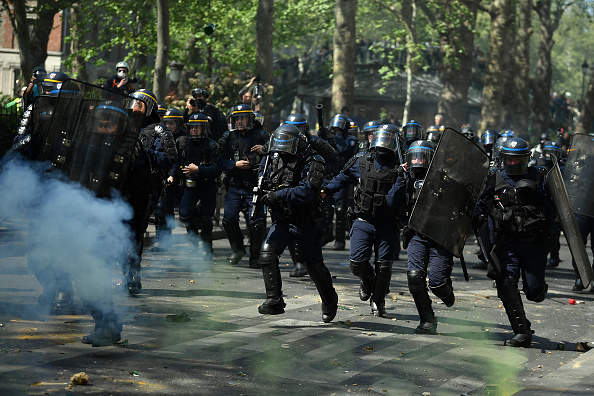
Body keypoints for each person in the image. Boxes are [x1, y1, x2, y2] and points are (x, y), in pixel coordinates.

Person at [473, 137, 554, 347]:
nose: (512, 163)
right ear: (503, 158)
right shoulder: (496, 178)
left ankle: (538, 289)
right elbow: (481, 202)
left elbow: (555, 207)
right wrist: (478, 215)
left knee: (533, 292)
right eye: (509, 159)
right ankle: (522, 332)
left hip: (534, 245)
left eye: (517, 160)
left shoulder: (539, 178)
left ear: (526, 159)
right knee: (506, 284)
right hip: (507, 243)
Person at [256, 124, 338, 322]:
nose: (282, 149)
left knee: (314, 266)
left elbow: (307, 191)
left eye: (287, 144)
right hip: (282, 218)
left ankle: (329, 299)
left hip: (305, 220)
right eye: (279, 144)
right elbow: (262, 178)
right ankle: (274, 300)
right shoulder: (271, 159)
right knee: (267, 252)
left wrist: (278, 194)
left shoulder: (313, 160)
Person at [323, 124, 403, 317]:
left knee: (384, 266)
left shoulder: (401, 166)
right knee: (357, 263)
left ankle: (378, 300)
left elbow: (396, 200)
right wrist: (327, 190)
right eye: (381, 138)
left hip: (387, 223)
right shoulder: (361, 161)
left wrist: (403, 176)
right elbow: (343, 177)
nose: (384, 144)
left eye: (388, 139)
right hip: (363, 219)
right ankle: (367, 280)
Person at [397, 140, 457, 334]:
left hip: (440, 236)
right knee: (415, 278)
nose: (417, 160)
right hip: (417, 234)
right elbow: (392, 202)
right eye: (413, 156)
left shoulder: (445, 177)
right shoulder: (407, 178)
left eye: (421, 156)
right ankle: (427, 320)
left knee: (438, 283)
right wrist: (399, 178)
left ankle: (446, 292)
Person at [122, 89, 175, 294]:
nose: (134, 107)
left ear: (149, 107)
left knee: (134, 234)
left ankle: (133, 277)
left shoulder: (159, 131)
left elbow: (169, 158)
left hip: (145, 190)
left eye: (139, 104)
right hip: (120, 187)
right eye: (132, 102)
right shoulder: (123, 125)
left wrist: (144, 152)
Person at [283, 113, 337, 277]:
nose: (295, 132)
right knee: (291, 226)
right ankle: (299, 263)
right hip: (293, 187)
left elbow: (333, 160)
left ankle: (313, 264)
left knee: (312, 227)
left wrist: (322, 180)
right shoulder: (284, 141)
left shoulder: (315, 143)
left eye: (299, 129)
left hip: (313, 187)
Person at [217, 104, 270, 268]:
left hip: (255, 186)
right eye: (236, 118)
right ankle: (238, 249)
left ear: (251, 119)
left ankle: (255, 256)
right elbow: (219, 161)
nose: (239, 121)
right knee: (228, 220)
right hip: (235, 184)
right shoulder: (228, 137)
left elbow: (277, 155)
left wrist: (265, 149)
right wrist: (234, 164)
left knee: (257, 223)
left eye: (242, 118)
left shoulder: (262, 135)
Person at [174, 113, 220, 255]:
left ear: (204, 128)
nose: (193, 130)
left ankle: (207, 250)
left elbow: (217, 169)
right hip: (190, 185)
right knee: (184, 214)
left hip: (208, 185)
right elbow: (177, 163)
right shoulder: (182, 143)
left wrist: (198, 169)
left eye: (197, 127)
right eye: (191, 127)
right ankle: (193, 238)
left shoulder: (212, 145)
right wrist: (171, 177)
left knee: (207, 219)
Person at [321, 113, 358, 250]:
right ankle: (327, 234)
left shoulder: (350, 139)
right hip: (328, 175)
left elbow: (343, 149)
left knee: (340, 208)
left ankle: (340, 240)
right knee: (325, 206)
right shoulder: (329, 138)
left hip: (341, 176)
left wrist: (337, 135)